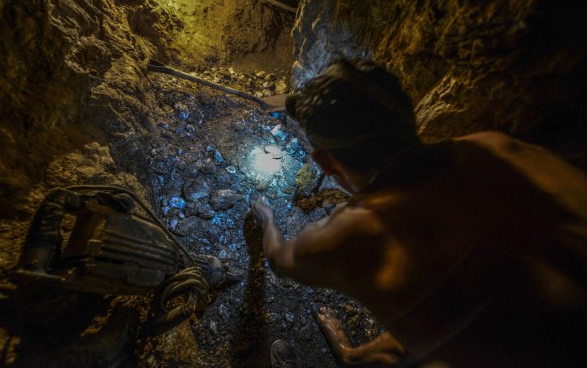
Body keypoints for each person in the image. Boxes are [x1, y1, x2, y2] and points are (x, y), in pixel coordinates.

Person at [251, 58, 587, 367]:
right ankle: (358, 356)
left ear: (325, 163)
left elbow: (280, 259)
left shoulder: (348, 236)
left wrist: (266, 218)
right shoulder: (496, 148)